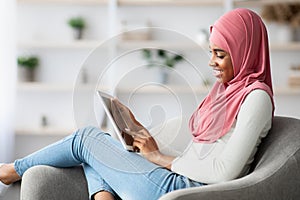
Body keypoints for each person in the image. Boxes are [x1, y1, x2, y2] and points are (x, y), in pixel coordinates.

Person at [0, 8, 274, 200]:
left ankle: (12, 170)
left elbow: (226, 171)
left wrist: (160, 159)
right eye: (211, 52)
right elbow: (201, 152)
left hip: (183, 190)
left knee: (86, 139)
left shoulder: (256, 97)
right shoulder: (228, 91)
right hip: (177, 178)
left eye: (220, 54)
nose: (211, 61)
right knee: (103, 146)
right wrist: (144, 138)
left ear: (245, 50)